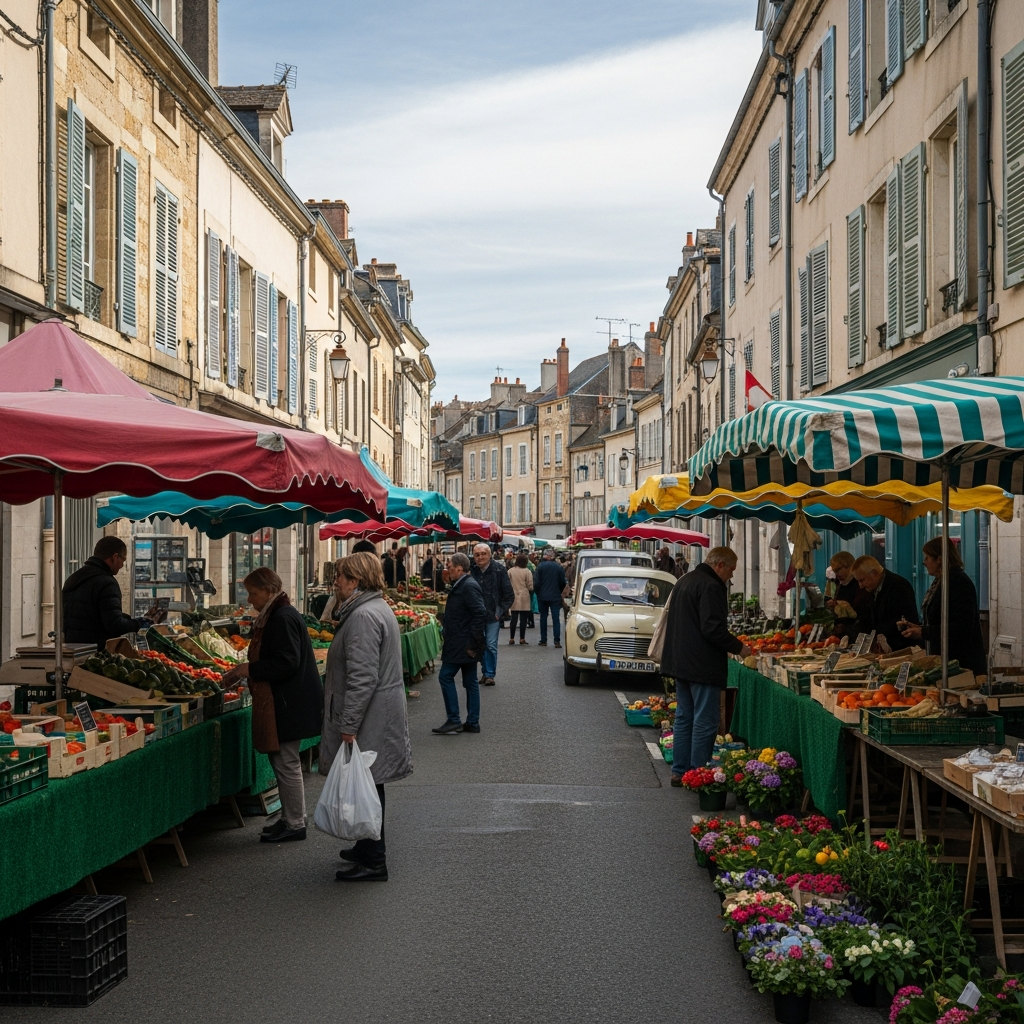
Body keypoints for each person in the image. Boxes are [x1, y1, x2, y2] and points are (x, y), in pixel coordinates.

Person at [320, 552, 412, 882]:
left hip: (370, 714)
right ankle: (366, 847)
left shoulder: (362, 617)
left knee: (368, 783)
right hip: (379, 711)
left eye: (340, 578)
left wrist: (348, 725)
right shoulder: (375, 608)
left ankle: (374, 860)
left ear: (355, 581)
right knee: (370, 781)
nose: (336, 584)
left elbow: (362, 676)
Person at [221, 568, 323, 843]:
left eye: (253, 593)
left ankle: (295, 822)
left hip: (289, 701)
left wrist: (249, 669)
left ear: (268, 591)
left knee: (287, 762)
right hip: (286, 700)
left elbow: (286, 662)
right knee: (281, 762)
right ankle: (290, 817)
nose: (250, 599)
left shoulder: (282, 618)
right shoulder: (278, 614)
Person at [660, 547, 751, 784]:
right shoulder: (710, 586)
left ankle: (680, 771)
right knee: (705, 720)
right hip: (702, 664)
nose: (731, 575)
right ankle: (697, 773)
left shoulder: (685, 580)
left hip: (681, 662)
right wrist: (739, 647)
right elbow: (713, 629)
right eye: (731, 569)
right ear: (720, 565)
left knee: (684, 718)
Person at [63, 536, 166, 651]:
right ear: (114, 557)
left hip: (71, 650)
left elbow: (94, 613)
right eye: (123, 560)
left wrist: (126, 618)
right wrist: (138, 624)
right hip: (95, 654)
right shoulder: (107, 583)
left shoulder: (73, 578)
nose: (122, 565)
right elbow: (114, 625)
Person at [900, 537, 986, 675]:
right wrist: (919, 628)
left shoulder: (958, 582)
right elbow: (938, 619)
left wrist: (924, 632)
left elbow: (962, 628)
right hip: (943, 661)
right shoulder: (940, 582)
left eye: (927, 557)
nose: (924, 562)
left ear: (939, 559)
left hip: (960, 665)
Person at [434, 552, 486, 734]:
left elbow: (480, 612)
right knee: (470, 680)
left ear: (459, 568)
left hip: (461, 641)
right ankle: (472, 722)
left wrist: (473, 641)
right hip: (463, 640)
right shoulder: (462, 585)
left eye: (450, 567)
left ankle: (454, 719)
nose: (448, 570)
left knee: (445, 676)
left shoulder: (467, 586)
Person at [851, 555, 919, 651]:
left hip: (900, 650)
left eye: (862, 580)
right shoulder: (872, 588)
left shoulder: (899, 586)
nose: (860, 585)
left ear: (874, 573)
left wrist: (875, 634)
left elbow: (904, 619)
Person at [470, 543, 514, 685]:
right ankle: (485, 671)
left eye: (483, 554)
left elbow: (509, 594)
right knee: (480, 644)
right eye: (477, 555)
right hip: (476, 615)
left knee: (490, 644)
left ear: (489, 555)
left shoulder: (499, 570)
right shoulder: (472, 570)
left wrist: (499, 611)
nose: (480, 557)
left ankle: (490, 674)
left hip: (492, 615)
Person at [825, 551, 871, 642]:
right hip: (842, 635)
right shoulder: (838, 583)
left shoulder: (860, 583)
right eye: (835, 571)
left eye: (838, 570)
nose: (837, 574)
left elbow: (863, 611)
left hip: (859, 634)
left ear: (850, 566)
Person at [534, 547, 568, 647]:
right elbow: (563, 582)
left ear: (545, 556)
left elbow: (536, 582)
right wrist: (559, 591)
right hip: (555, 596)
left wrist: (538, 593)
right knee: (556, 619)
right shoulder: (558, 567)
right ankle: (556, 640)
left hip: (542, 596)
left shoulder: (540, 566)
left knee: (543, 618)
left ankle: (543, 640)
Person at [507, 553, 534, 645]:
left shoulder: (510, 571)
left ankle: (511, 638)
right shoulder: (527, 571)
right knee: (523, 619)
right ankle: (522, 638)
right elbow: (530, 586)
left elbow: (507, 583)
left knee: (513, 619)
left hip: (513, 596)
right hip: (524, 596)